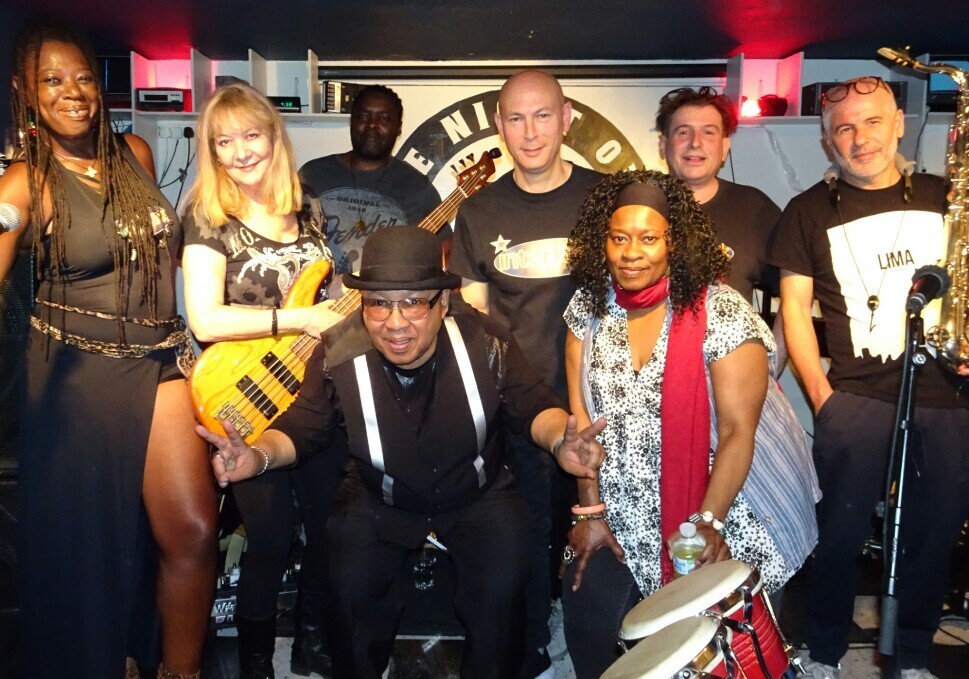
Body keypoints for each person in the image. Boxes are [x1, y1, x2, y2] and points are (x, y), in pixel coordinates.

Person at [197, 225, 608, 679]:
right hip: (379, 495)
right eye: (378, 303)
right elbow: (302, 427)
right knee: (349, 595)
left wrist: (560, 439)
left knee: (504, 590)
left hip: (475, 492)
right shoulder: (338, 352)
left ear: (443, 301)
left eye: (412, 302)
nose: (394, 322)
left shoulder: (486, 340)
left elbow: (533, 405)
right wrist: (257, 456)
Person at [0, 17, 216, 679]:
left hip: (160, 361)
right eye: (52, 80)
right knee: (88, 554)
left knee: (193, 531)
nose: (72, 92)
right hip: (76, 378)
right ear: (26, 92)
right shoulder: (23, 183)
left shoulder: (135, 154)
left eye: (84, 78)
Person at [561, 169, 820, 679]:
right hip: (624, 509)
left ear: (674, 241)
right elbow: (582, 426)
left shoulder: (722, 314)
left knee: (725, 657)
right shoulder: (588, 308)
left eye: (648, 238)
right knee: (593, 631)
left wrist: (708, 523)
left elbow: (739, 432)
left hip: (725, 507)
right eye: (619, 238)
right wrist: (590, 510)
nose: (631, 253)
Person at [769, 76, 969, 679]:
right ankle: (824, 651)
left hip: (949, 397)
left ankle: (912, 657)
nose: (860, 139)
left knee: (933, 535)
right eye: (845, 129)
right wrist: (823, 399)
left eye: (873, 122)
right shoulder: (806, 211)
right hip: (855, 396)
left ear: (899, 125)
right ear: (828, 141)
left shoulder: (946, 196)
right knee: (838, 534)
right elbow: (794, 312)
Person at [181, 83, 345, 679]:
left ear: (275, 136)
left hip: (316, 394)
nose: (240, 152)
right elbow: (204, 319)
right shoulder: (208, 217)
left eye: (251, 135)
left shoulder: (309, 206)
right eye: (224, 142)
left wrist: (354, 303)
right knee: (271, 537)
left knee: (328, 528)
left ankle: (310, 644)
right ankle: (255, 662)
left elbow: (329, 293)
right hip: (246, 394)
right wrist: (298, 318)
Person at [449, 69, 603, 677]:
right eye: (516, 118)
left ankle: (603, 634)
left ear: (566, 118)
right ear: (498, 126)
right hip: (522, 405)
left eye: (542, 116)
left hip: (605, 399)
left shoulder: (605, 197)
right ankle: (537, 643)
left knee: (605, 523)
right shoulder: (479, 210)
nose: (530, 131)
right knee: (533, 530)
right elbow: (473, 314)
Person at [298, 84, 448, 276]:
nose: (372, 124)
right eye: (363, 116)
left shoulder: (418, 188)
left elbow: (446, 250)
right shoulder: (313, 174)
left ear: (398, 128)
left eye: (384, 118)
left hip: (388, 295)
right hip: (313, 293)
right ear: (352, 122)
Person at [656, 86, 782, 304]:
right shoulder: (636, 206)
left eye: (708, 132)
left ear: (724, 148)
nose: (695, 142)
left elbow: (796, 292)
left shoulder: (755, 209)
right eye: (683, 132)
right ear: (663, 146)